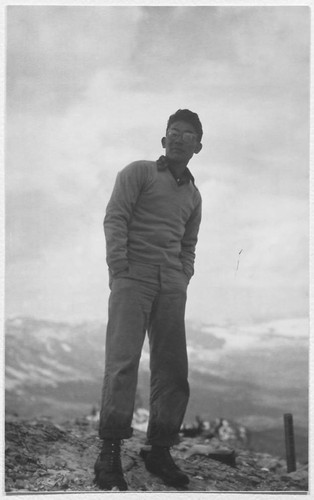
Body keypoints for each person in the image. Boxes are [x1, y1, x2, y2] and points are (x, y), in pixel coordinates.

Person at [94, 109, 203, 490]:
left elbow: (188, 243)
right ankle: (109, 451)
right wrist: (120, 266)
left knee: (173, 369)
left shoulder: (193, 194)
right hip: (133, 276)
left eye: (187, 134)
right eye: (173, 132)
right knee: (122, 362)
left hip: (172, 284)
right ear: (163, 140)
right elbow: (115, 217)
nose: (178, 138)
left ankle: (159, 449)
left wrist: (183, 273)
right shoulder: (138, 172)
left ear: (198, 147)